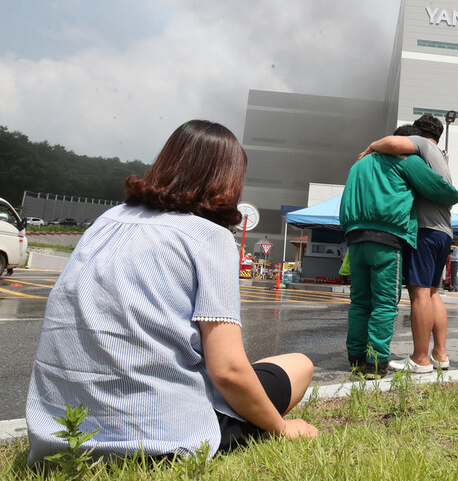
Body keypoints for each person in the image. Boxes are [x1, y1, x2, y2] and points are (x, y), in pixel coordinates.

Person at [25, 121, 317, 464]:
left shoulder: (106, 221)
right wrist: (281, 428)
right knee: (299, 365)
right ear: (229, 179)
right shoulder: (209, 237)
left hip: (61, 437)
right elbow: (228, 371)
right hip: (159, 440)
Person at [340, 124, 458, 379]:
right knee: (384, 303)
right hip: (387, 238)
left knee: (360, 301)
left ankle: (355, 356)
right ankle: (375, 362)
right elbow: (445, 192)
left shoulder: (359, 164)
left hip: (355, 237)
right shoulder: (406, 160)